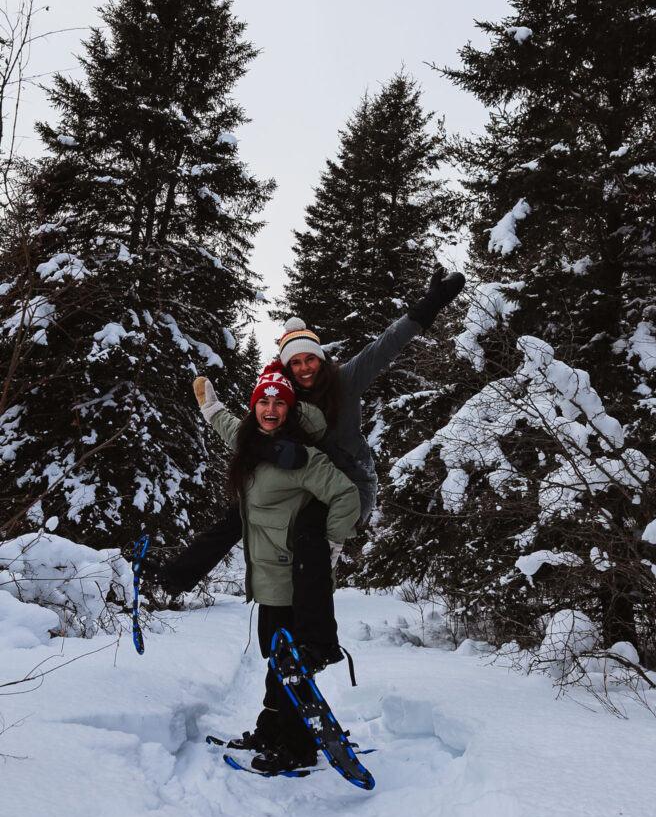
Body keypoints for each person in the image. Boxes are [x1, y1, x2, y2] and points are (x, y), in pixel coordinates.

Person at [148, 265, 465, 657]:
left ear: (320, 358)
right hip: (301, 482)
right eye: (295, 363)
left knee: (309, 536)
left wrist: (431, 303)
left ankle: (315, 641)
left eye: (309, 360)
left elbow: (388, 344)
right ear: (287, 366)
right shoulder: (286, 400)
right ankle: (171, 580)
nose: (304, 369)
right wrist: (213, 411)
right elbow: (250, 432)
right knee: (241, 514)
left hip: (347, 487)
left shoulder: (346, 379)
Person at [193, 361, 360, 773]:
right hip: (267, 579)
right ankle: (271, 729)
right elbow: (232, 428)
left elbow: (346, 496)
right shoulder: (254, 442)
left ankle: (298, 747)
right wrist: (211, 409)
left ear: (290, 410)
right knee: (277, 662)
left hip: (294, 579)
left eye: (279, 403)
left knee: (292, 668)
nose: (271, 409)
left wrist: (331, 545)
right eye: (263, 402)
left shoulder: (301, 457)